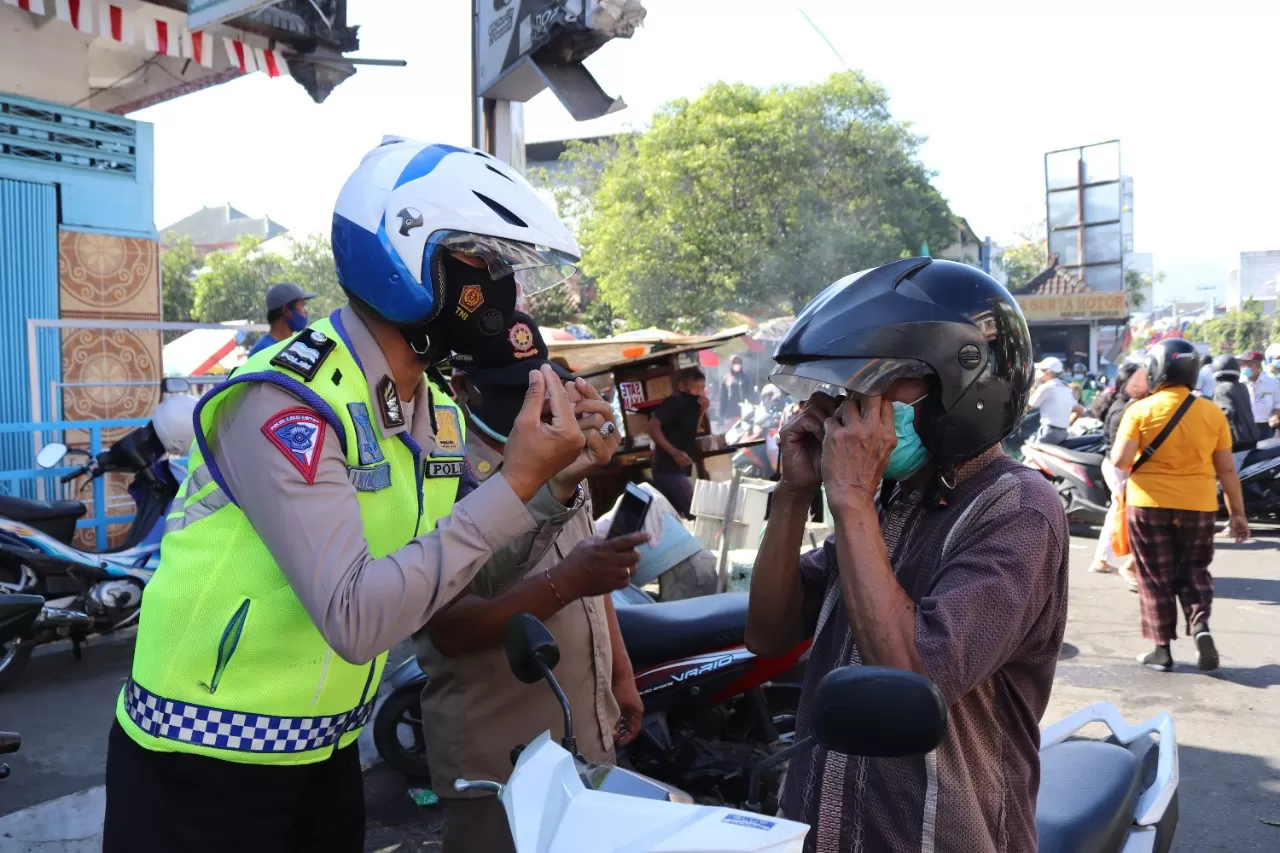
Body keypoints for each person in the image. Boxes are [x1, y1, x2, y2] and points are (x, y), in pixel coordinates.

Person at [103, 138, 595, 852]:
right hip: (199, 766)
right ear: (408, 255)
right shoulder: (285, 400)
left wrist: (555, 482)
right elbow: (357, 617)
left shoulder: (435, 411)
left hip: (324, 754)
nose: (506, 298)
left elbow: (455, 568)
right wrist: (518, 480)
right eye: (488, 267)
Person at [747, 257, 1069, 853]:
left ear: (960, 383)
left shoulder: (1018, 509)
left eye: (876, 384)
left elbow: (908, 677)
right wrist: (794, 495)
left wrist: (848, 499)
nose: (848, 407)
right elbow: (768, 632)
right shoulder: (890, 501)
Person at [422, 312, 645, 853]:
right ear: (461, 386)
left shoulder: (559, 444)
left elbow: (592, 568)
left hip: (582, 728)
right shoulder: (437, 471)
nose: (529, 406)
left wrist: (620, 675)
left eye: (536, 386)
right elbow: (449, 626)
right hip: (502, 758)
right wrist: (566, 584)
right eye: (509, 392)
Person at [1110, 338, 1250, 673]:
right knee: (1195, 571)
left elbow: (1120, 460)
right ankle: (1200, 627)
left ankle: (1162, 650)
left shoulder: (1140, 410)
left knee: (1155, 577)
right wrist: (1238, 515)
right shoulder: (1211, 412)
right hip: (1199, 505)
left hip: (1149, 505)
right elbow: (1227, 469)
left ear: (1157, 369)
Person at [1089, 362, 1149, 576]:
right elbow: (1120, 451)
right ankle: (1102, 559)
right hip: (1118, 466)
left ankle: (1107, 558)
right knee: (1118, 510)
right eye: (1141, 380)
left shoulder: (1122, 402)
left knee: (1119, 510)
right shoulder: (1126, 408)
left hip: (1115, 464)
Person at [646, 367, 709, 518]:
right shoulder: (675, 401)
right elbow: (651, 427)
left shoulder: (691, 405)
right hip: (668, 468)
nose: (698, 392)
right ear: (682, 386)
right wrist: (674, 452)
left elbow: (689, 430)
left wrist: (701, 411)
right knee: (696, 511)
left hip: (677, 468)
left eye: (701, 387)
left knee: (671, 516)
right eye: (694, 387)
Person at [248, 281, 318, 356]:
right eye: (302, 306)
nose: (306, 312)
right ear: (286, 311)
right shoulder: (262, 351)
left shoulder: (294, 345)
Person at [1210, 355, 1261, 452]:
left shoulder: (1221, 389)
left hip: (1236, 441)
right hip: (1251, 437)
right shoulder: (1242, 387)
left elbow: (1225, 414)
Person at [1027, 356, 1077, 444]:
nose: (1038, 373)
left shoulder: (1046, 387)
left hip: (1049, 433)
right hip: (1064, 433)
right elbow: (1079, 410)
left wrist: (1034, 384)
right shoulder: (1065, 388)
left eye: (1041, 370)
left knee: (1032, 454)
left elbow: (1028, 406)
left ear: (1048, 373)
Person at [1241, 350, 1280, 439]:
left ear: (1258, 366)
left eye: (1249, 365)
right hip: (1246, 427)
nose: (1245, 367)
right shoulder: (1239, 384)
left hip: (1266, 427)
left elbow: (1278, 403)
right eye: (1243, 365)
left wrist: (1275, 415)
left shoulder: (1273, 383)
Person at [718, 354, 756, 427]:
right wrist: (721, 416)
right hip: (730, 415)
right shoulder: (726, 378)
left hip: (744, 415)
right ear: (730, 364)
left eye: (738, 363)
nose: (737, 364)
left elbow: (751, 394)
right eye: (734, 362)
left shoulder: (746, 378)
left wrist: (752, 408)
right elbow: (723, 398)